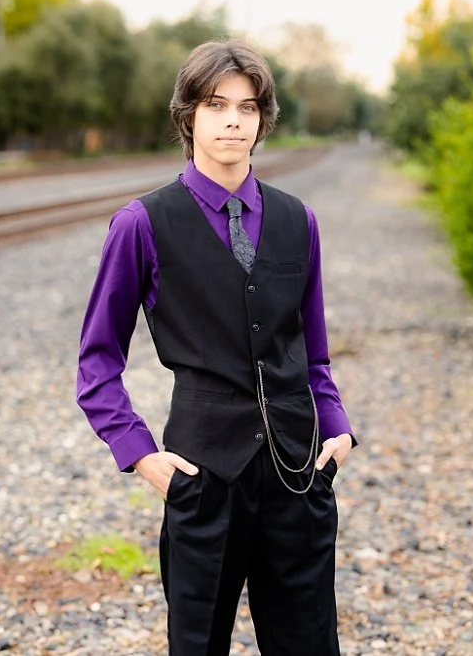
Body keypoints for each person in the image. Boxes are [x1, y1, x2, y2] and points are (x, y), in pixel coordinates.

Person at [77, 41, 355, 655]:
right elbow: (97, 363)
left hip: (299, 475)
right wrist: (141, 455)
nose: (233, 119)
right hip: (202, 480)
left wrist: (336, 431)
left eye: (248, 107)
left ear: (262, 121)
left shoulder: (296, 219)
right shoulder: (141, 224)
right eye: (215, 104)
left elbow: (312, 352)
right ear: (188, 117)